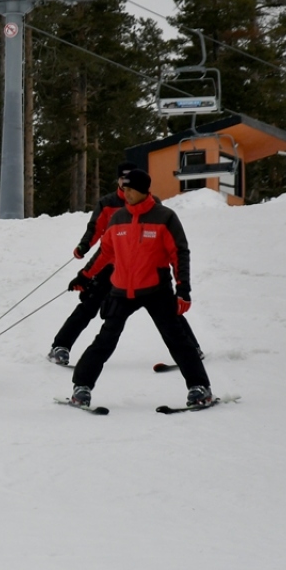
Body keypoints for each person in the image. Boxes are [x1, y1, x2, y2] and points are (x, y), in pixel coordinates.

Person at [69, 170, 214, 408]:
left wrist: (183, 290)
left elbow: (179, 254)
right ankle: (81, 388)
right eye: (123, 189)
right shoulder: (118, 219)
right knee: (104, 340)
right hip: (121, 291)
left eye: (130, 189)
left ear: (144, 190)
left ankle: (200, 388)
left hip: (156, 290)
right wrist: (85, 276)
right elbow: (105, 252)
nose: (125, 193)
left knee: (176, 338)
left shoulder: (165, 217)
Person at [48, 162, 201, 366]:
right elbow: (96, 228)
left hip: (142, 269)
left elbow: (165, 237)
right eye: (123, 179)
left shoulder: (152, 204)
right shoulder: (108, 203)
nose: (126, 185)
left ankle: (193, 349)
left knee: (167, 311)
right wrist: (84, 247)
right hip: (111, 267)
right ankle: (61, 346)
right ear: (119, 180)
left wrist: (181, 284)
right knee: (90, 305)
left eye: (131, 180)